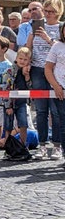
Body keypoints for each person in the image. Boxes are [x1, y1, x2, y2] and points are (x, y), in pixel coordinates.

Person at [21, 0, 63, 160]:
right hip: (38, 69)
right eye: (46, 11)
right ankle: (43, 144)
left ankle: (58, 145)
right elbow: (28, 46)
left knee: (56, 110)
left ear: (58, 12)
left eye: (51, 11)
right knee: (41, 110)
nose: (47, 14)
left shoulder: (60, 28)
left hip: (55, 71)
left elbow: (62, 48)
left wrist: (47, 38)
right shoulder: (36, 25)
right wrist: (26, 62)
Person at [45, 21, 65, 168]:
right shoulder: (57, 46)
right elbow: (48, 68)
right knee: (63, 124)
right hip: (61, 90)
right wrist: (56, 86)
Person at [4, 47, 33, 149]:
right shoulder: (10, 70)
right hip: (10, 102)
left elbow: (31, 88)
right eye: (20, 59)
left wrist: (27, 77)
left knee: (23, 124)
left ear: (29, 61)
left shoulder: (29, 72)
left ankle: (22, 145)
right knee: (8, 126)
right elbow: (6, 88)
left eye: (25, 60)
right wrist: (8, 106)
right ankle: (8, 147)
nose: (22, 61)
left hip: (22, 102)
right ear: (16, 58)